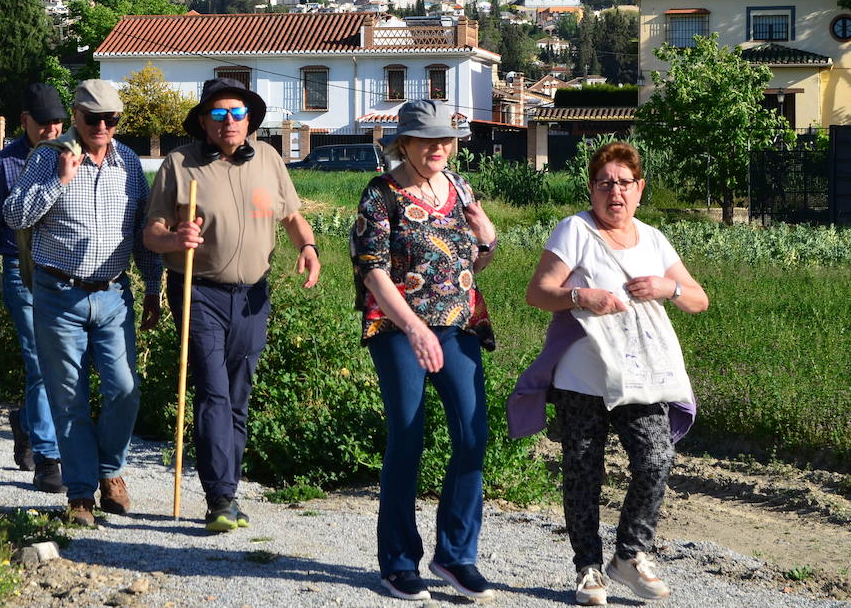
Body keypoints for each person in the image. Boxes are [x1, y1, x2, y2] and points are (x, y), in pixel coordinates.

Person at [517, 141, 708, 606]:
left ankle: (629, 554)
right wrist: (583, 297)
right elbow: (539, 292)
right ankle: (588, 570)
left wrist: (670, 286)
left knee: (656, 459)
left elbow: (698, 300)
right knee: (583, 472)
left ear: (640, 189)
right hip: (581, 380)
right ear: (592, 188)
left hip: (641, 378)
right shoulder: (575, 231)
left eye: (624, 183)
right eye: (605, 184)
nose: (615, 192)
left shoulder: (655, 239)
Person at [143, 77, 321, 533]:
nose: (228, 122)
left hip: (253, 295)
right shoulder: (179, 165)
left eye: (237, 114)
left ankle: (229, 491)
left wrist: (308, 247)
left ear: (249, 121)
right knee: (214, 391)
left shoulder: (268, 159)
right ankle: (219, 498)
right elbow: (151, 233)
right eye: (218, 114)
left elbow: (292, 215)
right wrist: (174, 237)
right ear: (203, 121)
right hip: (196, 290)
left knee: (237, 397)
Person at [349, 98, 499, 601]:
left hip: (458, 328)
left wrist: (490, 240)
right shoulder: (380, 194)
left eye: (446, 140)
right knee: (407, 440)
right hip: (399, 330)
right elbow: (373, 270)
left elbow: (465, 268)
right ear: (405, 143)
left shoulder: (459, 189)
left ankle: (456, 556)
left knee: (472, 435)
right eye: (428, 140)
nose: (439, 148)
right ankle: (398, 562)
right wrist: (413, 327)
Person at [4, 79, 162, 528]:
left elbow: (142, 235)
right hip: (58, 294)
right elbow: (13, 216)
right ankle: (80, 494)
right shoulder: (47, 158)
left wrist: (153, 288)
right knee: (68, 398)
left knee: (125, 390)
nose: (102, 127)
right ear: (75, 115)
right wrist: (59, 181)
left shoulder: (129, 162)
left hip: (113, 294)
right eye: (93, 118)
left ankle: (110, 470)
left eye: (111, 119)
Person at [0, 83, 69, 491]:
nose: (52, 130)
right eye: (44, 123)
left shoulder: (71, 158)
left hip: (61, 270)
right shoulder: (5, 162)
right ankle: (49, 458)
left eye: (58, 123)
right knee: (37, 357)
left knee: (58, 361)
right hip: (16, 267)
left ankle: (25, 420)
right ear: (24, 120)